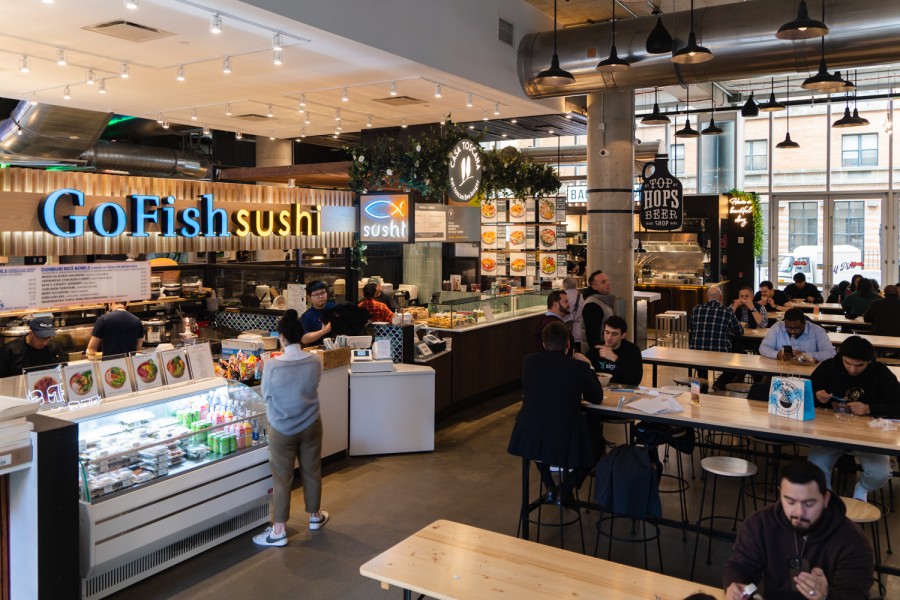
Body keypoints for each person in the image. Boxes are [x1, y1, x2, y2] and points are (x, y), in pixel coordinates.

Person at [723, 461, 874, 600]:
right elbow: (741, 566)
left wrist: (826, 595)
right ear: (780, 494)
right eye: (790, 501)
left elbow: (856, 595)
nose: (799, 512)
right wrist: (736, 585)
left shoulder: (853, 541)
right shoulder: (761, 523)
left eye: (809, 503)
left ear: (826, 499)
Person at [253, 309, 328, 546]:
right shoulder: (315, 360)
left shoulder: (272, 366)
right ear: (301, 335)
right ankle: (315, 516)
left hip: (281, 429)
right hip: (311, 424)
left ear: (282, 337)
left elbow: (266, 395)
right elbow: (314, 384)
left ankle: (279, 530)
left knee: (282, 479)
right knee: (312, 471)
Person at [507, 321, 603, 506]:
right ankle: (566, 489)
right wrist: (590, 367)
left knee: (537, 450)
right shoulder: (578, 368)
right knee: (597, 443)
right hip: (565, 436)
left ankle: (550, 486)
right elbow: (597, 397)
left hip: (528, 435)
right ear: (568, 345)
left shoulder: (529, 362)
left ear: (544, 344)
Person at [808, 335, 900, 502]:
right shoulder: (828, 367)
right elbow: (806, 396)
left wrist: (870, 408)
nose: (852, 370)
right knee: (815, 467)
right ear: (840, 356)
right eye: (848, 363)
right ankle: (828, 501)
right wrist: (817, 397)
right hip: (830, 431)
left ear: (870, 361)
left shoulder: (881, 373)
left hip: (868, 434)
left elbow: (897, 405)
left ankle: (862, 488)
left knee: (881, 472)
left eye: (859, 366)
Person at [688, 286, 743, 385]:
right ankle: (719, 384)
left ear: (707, 296)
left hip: (697, 353)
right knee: (738, 360)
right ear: (721, 297)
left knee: (701, 358)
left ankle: (702, 384)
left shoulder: (696, 309)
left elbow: (691, 328)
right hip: (720, 354)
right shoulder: (727, 311)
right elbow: (739, 332)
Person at [758, 308, 835, 363]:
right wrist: (777, 354)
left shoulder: (817, 331)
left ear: (804, 323)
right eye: (788, 328)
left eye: (796, 328)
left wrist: (805, 355)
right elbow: (763, 348)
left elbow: (830, 353)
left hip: (808, 371)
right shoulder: (778, 327)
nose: (792, 331)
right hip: (781, 369)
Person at [594, 315, 643, 386]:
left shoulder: (633, 350)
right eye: (607, 332)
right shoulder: (596, 348)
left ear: (623, 335)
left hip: (624, 391)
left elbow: (635, 380)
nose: (609, 337)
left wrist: (614, 358)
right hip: (601, 389)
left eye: (614, 334)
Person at [582, 270, 615, 354]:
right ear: (594, 287)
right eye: (603, 282)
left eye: (607, 280)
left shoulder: (602, 301)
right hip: (598, 354)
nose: (608, 283)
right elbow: (592, 336)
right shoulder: (592, 305)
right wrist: (600, 354)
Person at [533, 290, 575, 354]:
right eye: (566, 302)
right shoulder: (554, 325)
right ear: (555, 304)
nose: (569, 305)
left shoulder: (544, 320)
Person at [300, 280, 336, 346]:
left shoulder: (335, 307)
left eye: (322, 293)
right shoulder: (307, 316)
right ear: (309, 298)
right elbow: (304, 339)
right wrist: (323, 331)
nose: (321, 296)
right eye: (316, 294)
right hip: (317, 350)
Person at [561, 276, 585, 354]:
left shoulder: (562, 297)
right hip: (578, 331)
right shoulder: (581, 297)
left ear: (564, 285)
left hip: (565, 331)